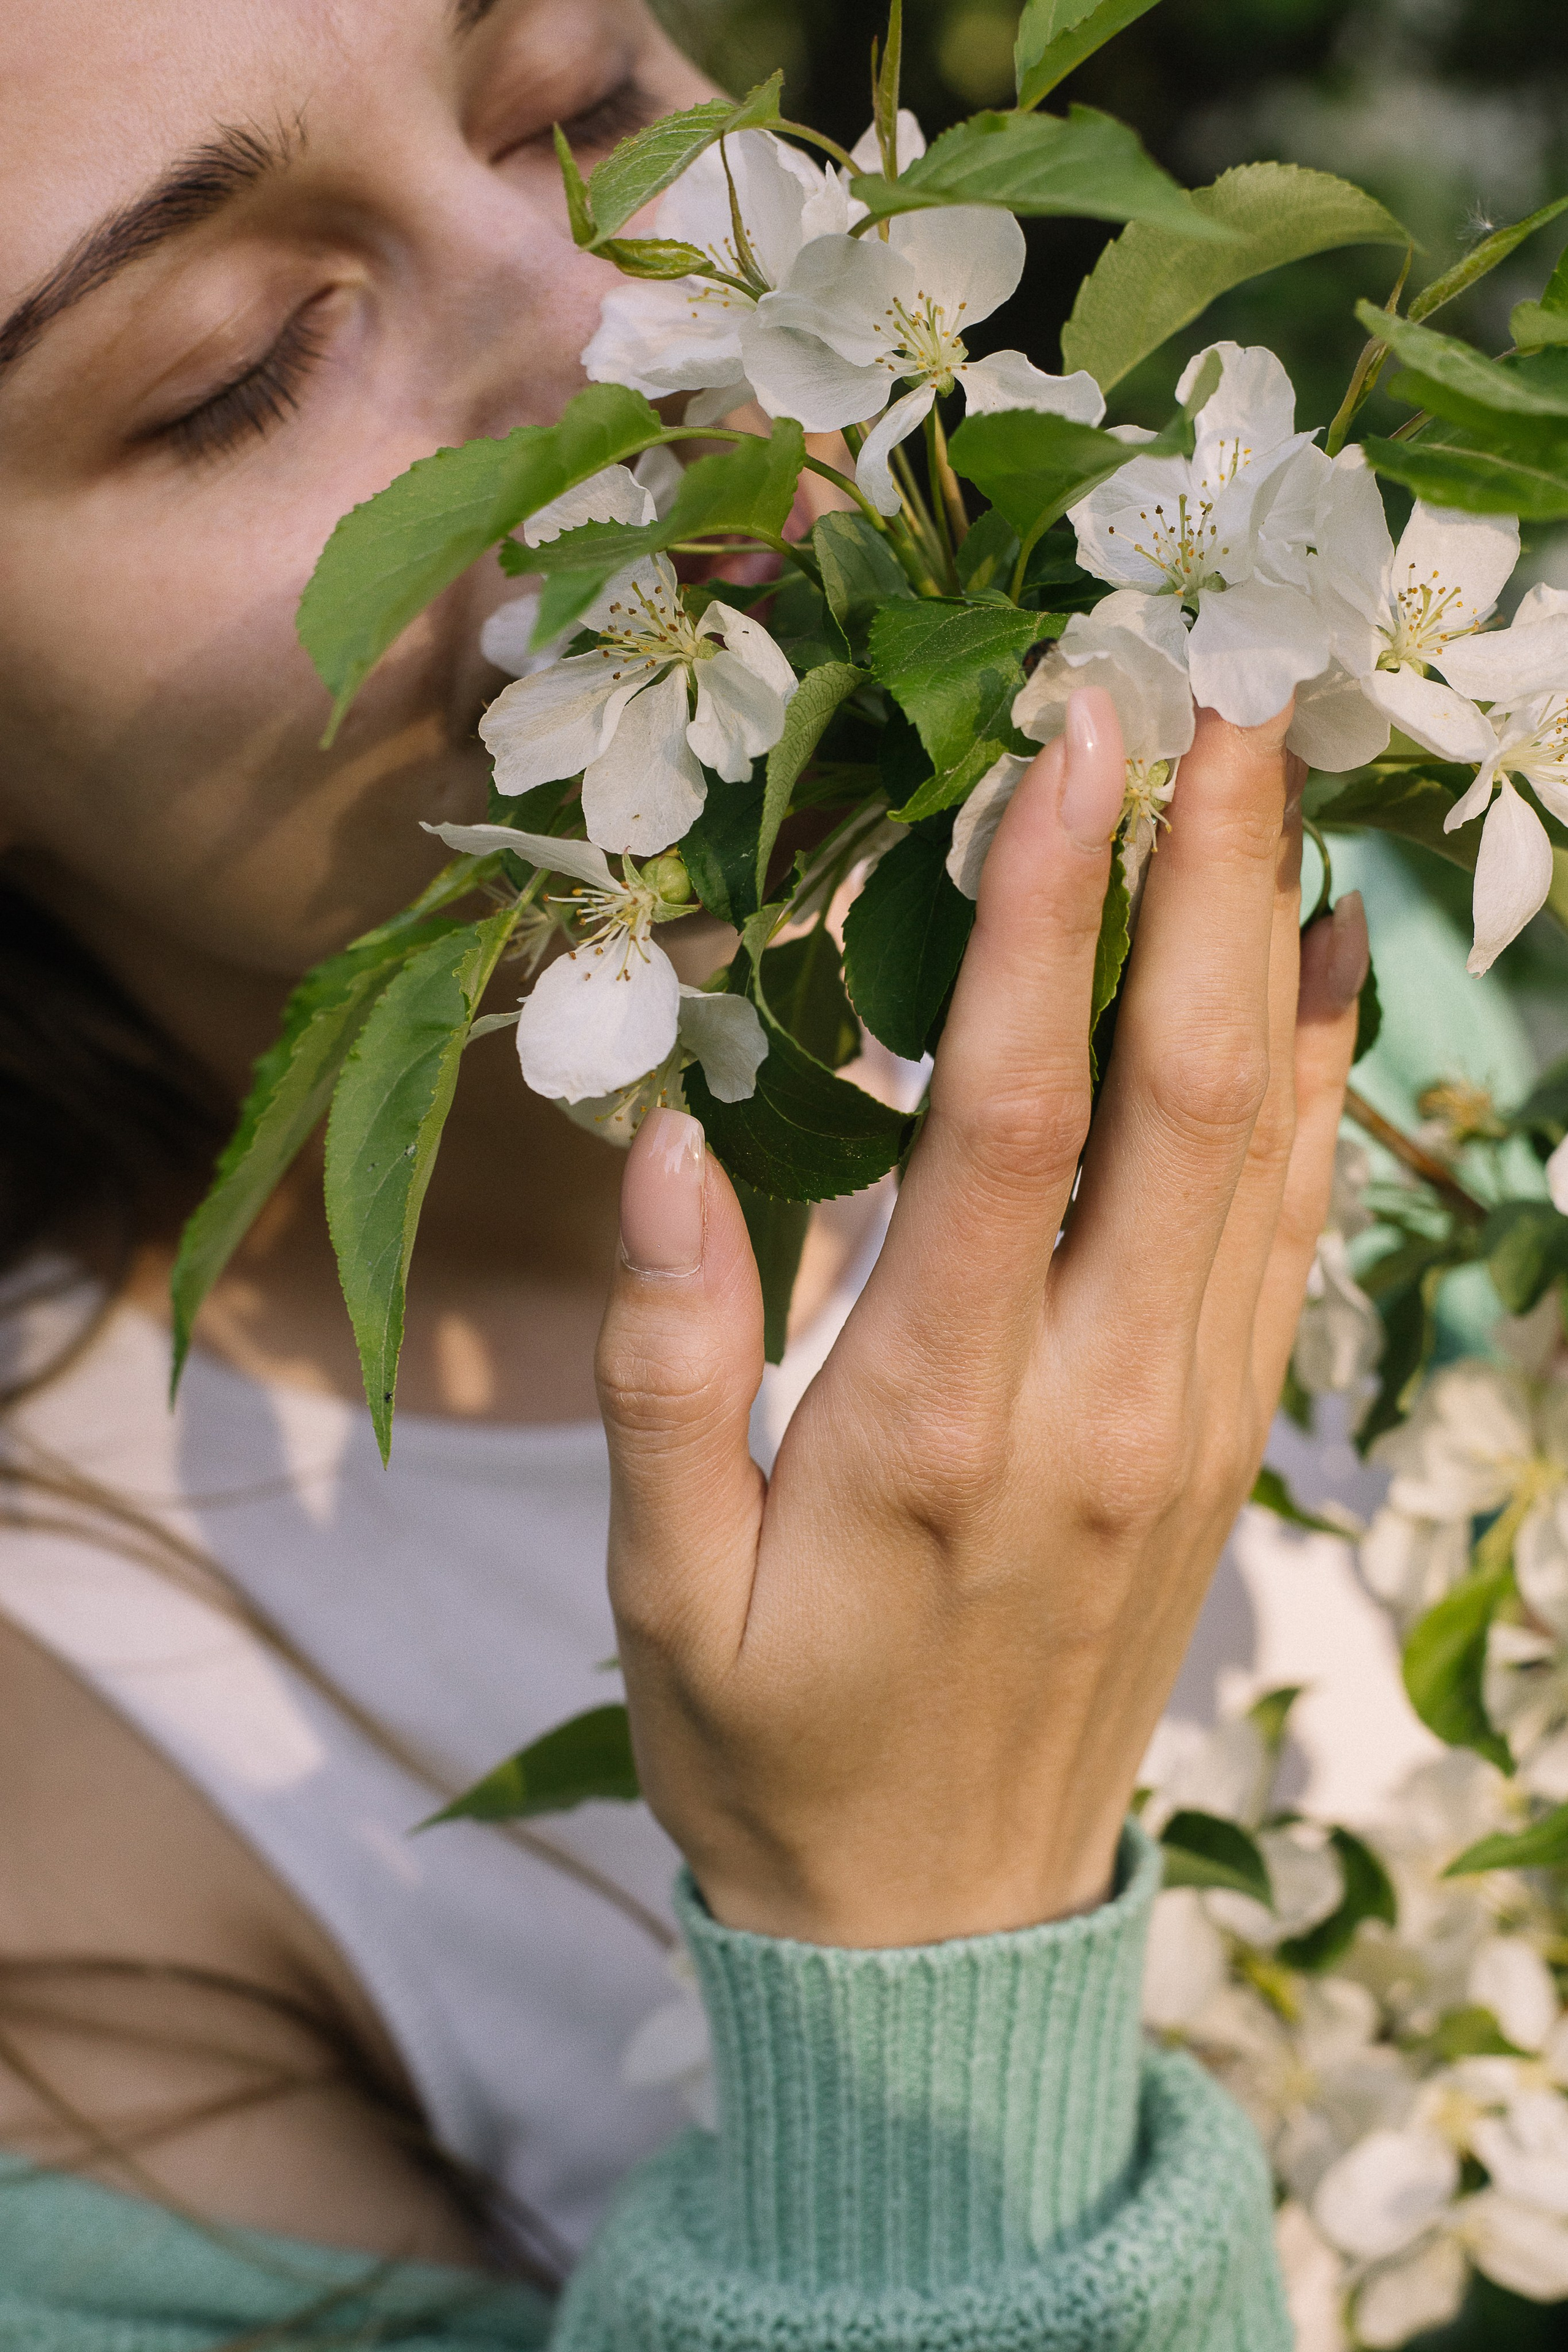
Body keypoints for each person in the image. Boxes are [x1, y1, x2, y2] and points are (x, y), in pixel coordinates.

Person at [0, 0, 1370, 2342]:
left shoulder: (1284, 934)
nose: (605, 329)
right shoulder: (91, 1854)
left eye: (580, 104)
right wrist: (918, 1954)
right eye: (235, 364)